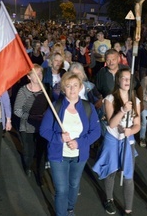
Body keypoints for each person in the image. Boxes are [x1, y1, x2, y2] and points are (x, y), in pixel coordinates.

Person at [39, 72, 101, 216]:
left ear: (80, 87)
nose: (72, 89)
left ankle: (70, 208)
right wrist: (59, 138)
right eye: (68, 86)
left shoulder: (88, 107)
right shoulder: (56, 106)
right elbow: (44, 130)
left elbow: (96, 132)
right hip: (58, 156)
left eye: (75, 85)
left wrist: (79, 143)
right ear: (63, 89)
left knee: (74, 185)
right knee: (61, 189)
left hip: (79, 156)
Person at [93, 68, 141, 215]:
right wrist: (123, 110)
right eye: (124, 78)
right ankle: (109, 199)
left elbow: (138, 125)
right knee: (111, 171)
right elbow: (112, 124)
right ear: (118, 80)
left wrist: (130, 131)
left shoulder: (135, 100)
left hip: (128, 139)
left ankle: (128, 210)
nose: (127, 81)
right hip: (112, 138)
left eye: (129, 79)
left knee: (128, 175)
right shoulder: (110, 99)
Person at [14, 65, 49, 182]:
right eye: (36, 74)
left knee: (41, 152)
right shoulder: (23, 91)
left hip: (43, 127)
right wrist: (31, 116)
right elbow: (17, 110)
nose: (39, 76)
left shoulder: (46, 88)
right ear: (29, 76)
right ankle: (28, 166)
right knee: (29, 152)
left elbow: (51, 106)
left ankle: (40, 174)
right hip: (27, 126)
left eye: (40, 73)